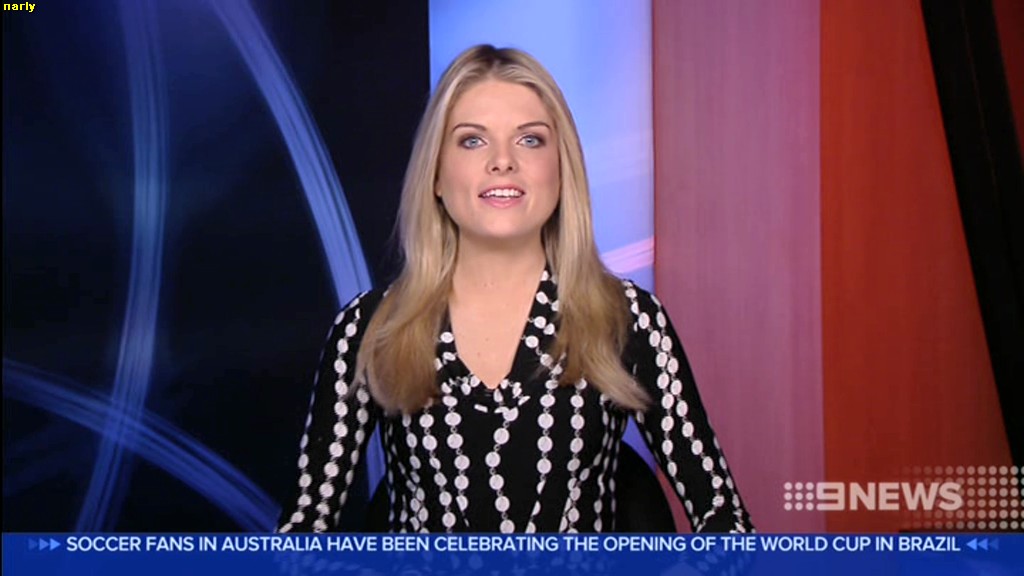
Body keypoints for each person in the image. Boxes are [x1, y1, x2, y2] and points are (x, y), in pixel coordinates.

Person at [277, 45, 753, 534]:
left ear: (561, 170)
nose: (502, 161)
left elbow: (726, 520)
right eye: (472, 141)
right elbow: (305, 530)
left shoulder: (630, 317)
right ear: (436, 175)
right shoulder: (369, 326)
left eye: (529, 140)